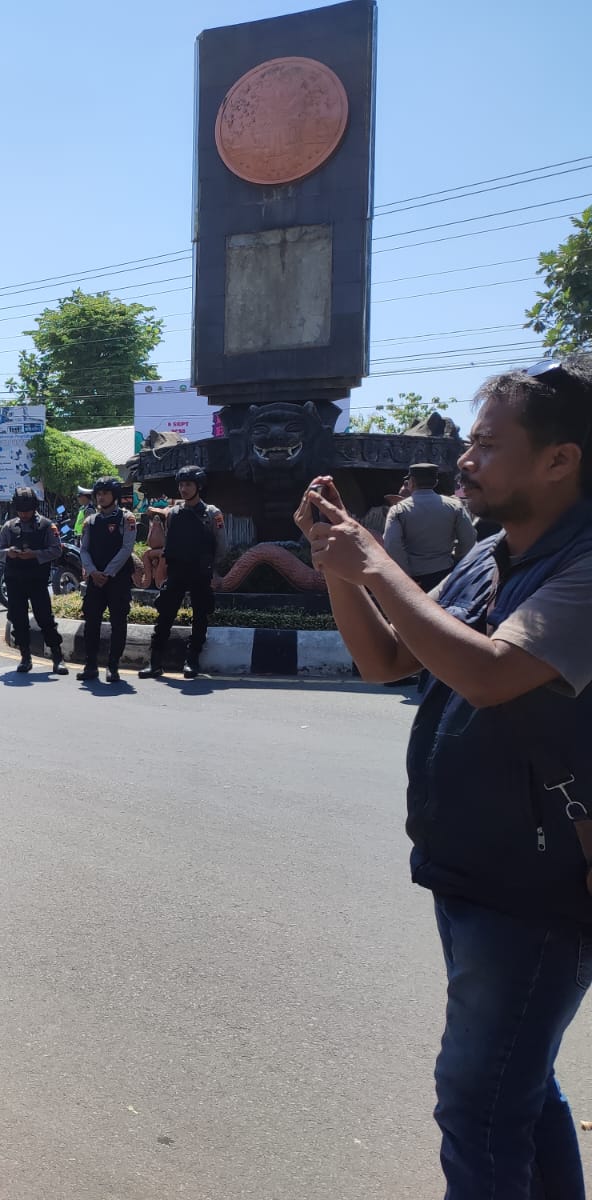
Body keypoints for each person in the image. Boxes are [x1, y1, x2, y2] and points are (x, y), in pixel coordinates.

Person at [296, 358, 592, 1197]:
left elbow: (491, 673)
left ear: (560, 460)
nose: (464, 458)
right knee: (513, 1091)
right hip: (474, 863)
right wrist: (335, 562)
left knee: (476, 1106)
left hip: (541, 882)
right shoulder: (492, 552)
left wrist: (375, 562)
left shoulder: (585, 566)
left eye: (487, 445)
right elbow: (387, 659)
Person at [140, 466, 226, 681]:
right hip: (177, 571)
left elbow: (222, 546)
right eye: (181, 485)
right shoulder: (174, 513)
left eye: (188, 484)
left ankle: (192, 660)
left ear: (199, 487)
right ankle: (155, 662)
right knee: (165, 615)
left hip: (200, 571)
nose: (183, 489)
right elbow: (169, 542)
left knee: (200, 616)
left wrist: (212, 569)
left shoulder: (212, 513)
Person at [0, 486, 66, 675]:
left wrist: (35, 555)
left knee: (45, 619)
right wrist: (8, 553)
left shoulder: (47, 526)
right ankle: (25, 657)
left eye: (27, 510)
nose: (24, 514)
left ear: (34, 508)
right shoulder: (9, 527)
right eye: (20, 510)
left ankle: (57, 657)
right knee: (18, 619)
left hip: (37, 580)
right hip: (14, 580)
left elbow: (57, 550)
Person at [77, 476, 138, 684]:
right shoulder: (90, 521)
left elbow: (126, 548)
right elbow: (83, 550)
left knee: (118, 624)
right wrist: (93, 571)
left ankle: (113, 666)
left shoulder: (126, 518)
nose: (101, 497)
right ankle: (91, 665)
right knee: (91, 622)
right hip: (95, 580)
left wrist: (108, 573)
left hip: (118, 579)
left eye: (105, 493)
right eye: (98, 494)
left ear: (115, 496)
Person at [383, 462, 477, 591]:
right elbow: (469, 539)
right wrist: (457, 562)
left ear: (412, 482)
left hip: (413, 577)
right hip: (445, 573)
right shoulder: (455, 506)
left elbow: (392, 544)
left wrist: (405, 575)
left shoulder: (398, 510)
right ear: (435, 482)